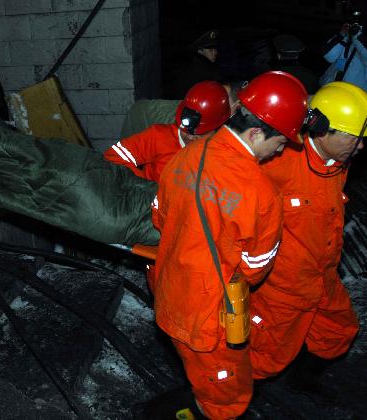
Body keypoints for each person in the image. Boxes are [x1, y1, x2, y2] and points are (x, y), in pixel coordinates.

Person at [145, 71, 309, 419]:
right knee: (226, 398)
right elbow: (254, 269)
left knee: (198, 372)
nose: (279, 152)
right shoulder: (260, 192)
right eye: (279, 143)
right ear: (255, 132)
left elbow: (159, 218)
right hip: (209, 323)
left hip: (169, 294)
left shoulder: (185, 155)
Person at [250, 81, 367, 393]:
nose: (361, 146)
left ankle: (302, 382)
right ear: (322, 130)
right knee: (265, 357)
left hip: (323, 273)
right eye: (353, 137)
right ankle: (217, 400)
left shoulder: (338, 163)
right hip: (283, 285)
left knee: (338, 331)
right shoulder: (277, 161)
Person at [104, 81, 230, 183]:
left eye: (199, 134)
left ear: (216, 128)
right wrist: (146, 187)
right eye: (185, 129)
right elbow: (113, 156)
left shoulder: (223, 152)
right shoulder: (158, 136)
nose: (190, 137)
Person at [319, 13, 367, 94]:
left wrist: (357, 36)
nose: (354, 25)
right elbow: (329, 57)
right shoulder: (342, 36)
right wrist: (343, 35)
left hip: (355, 96)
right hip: (331, 89)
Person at [165, 30, 222, 99]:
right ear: (200, 51)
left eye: (215, 49)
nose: (215, 53)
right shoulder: (202, 69)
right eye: (210, 50)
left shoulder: (196, 64)